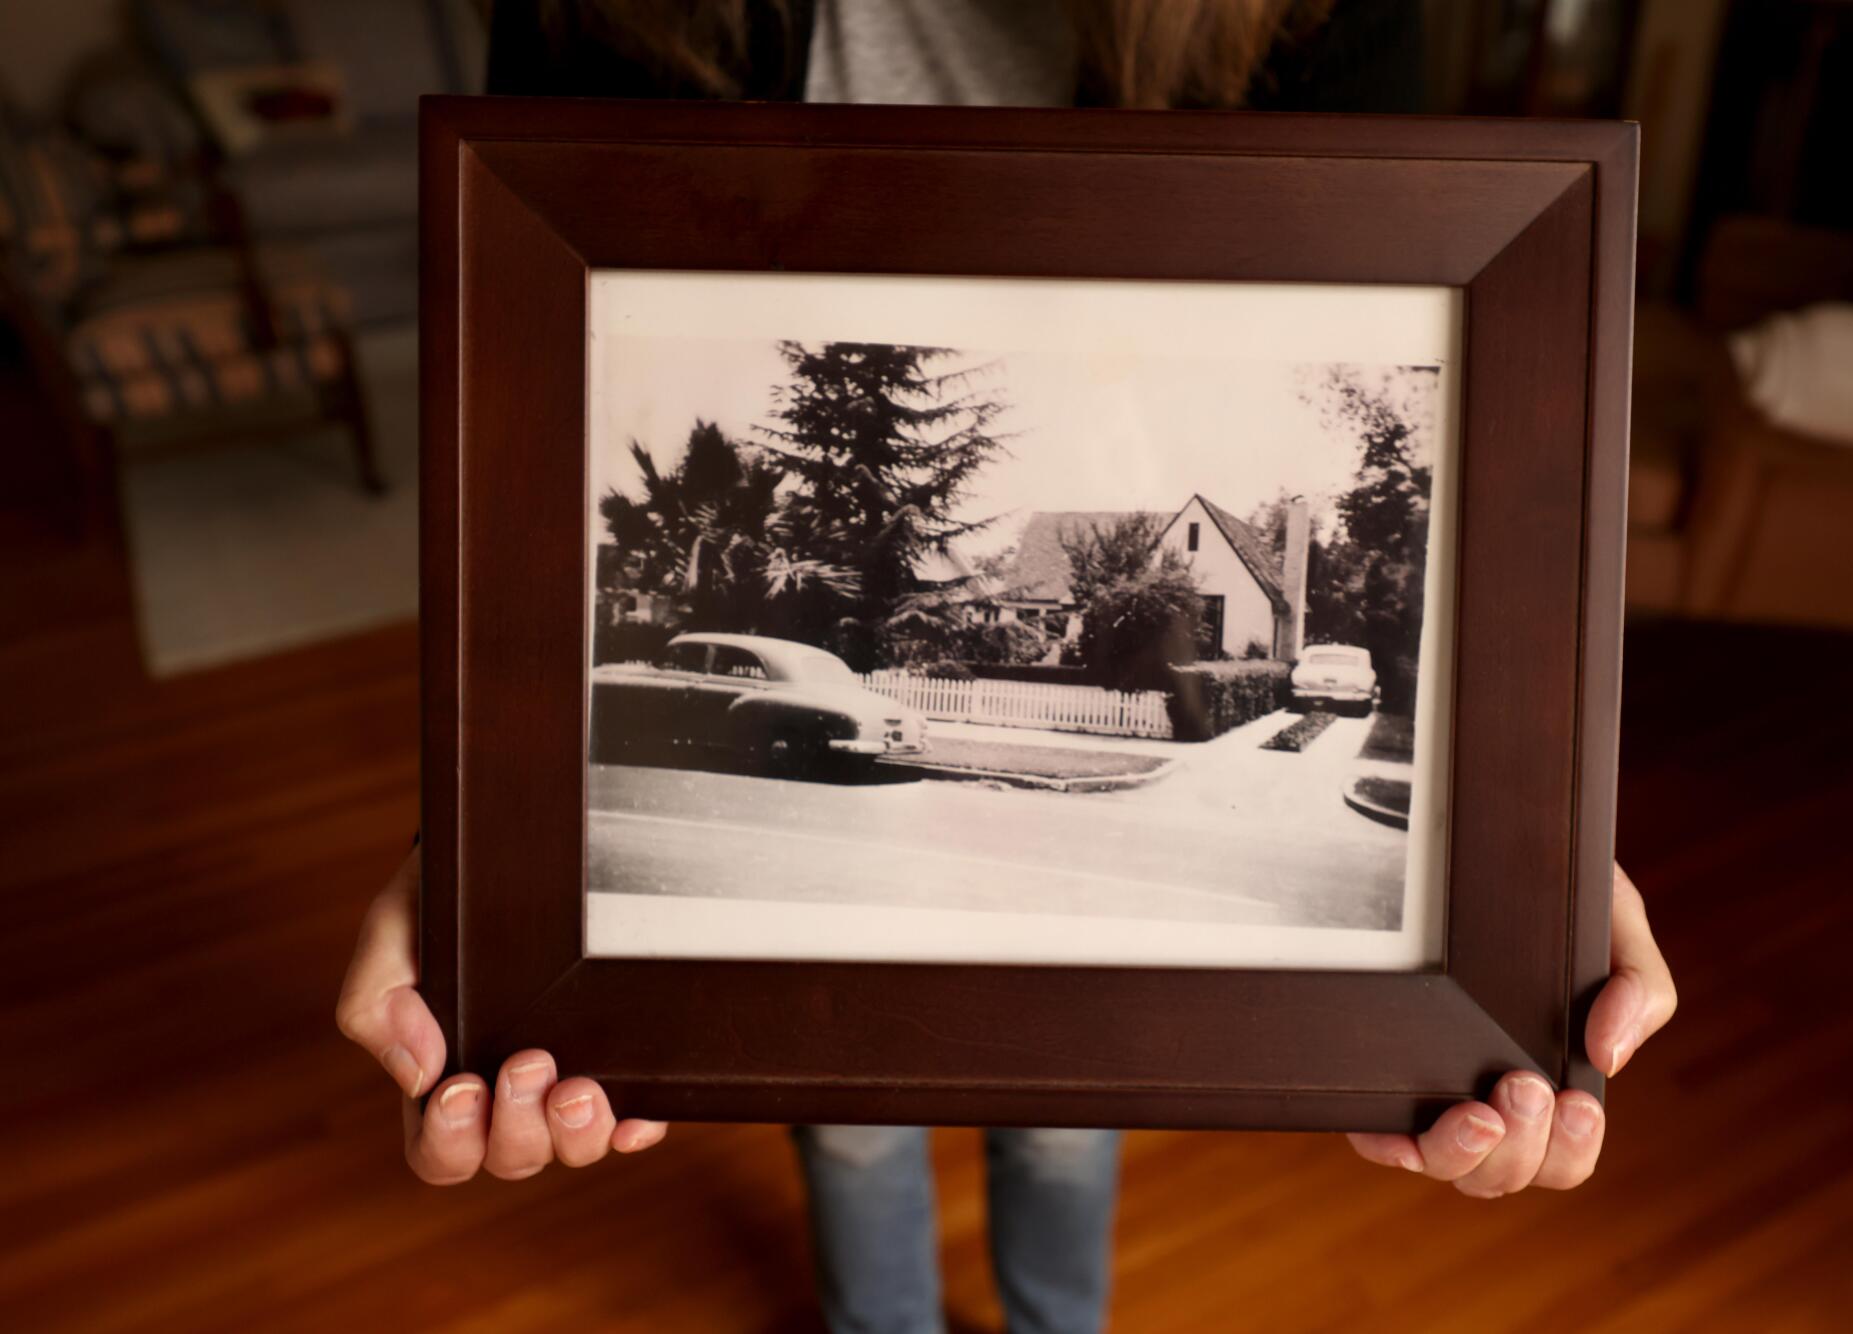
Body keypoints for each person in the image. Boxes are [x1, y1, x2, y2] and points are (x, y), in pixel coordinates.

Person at [339, 5, 1679, 1332]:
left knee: (1065, 1123)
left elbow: (1445, 291)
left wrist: (1516, 848)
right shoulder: (606, 18)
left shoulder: (1298, 17)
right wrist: (491, 843)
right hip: (828, 948)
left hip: (1080, 969)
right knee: (854, 1130)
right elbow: (527, 373)